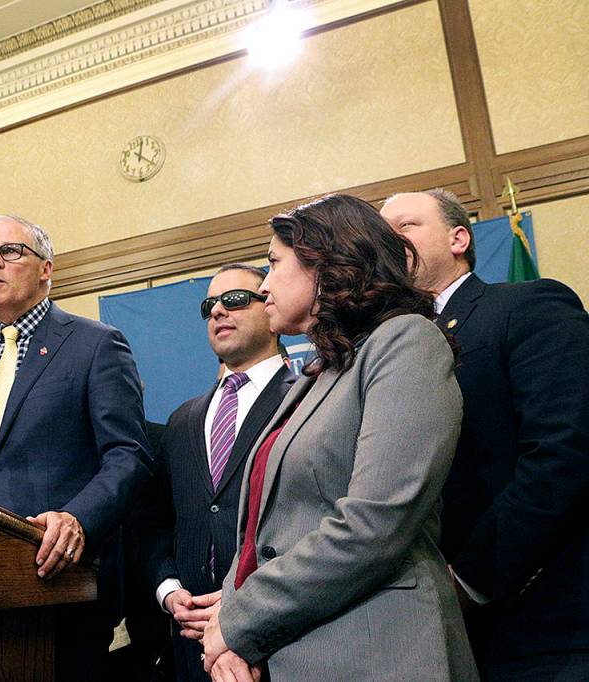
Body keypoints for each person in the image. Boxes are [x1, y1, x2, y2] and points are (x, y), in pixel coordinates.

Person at [203, 194, 477, 681]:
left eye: (273, 263)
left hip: (379, 651)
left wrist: (239, 621)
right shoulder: (318, 372)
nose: (264, 286)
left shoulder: (405, 340)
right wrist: (231, 625)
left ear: (326, 265)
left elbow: (376, 521)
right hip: (293, 646)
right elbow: (260, 536)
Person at [0, 214, 152, 680]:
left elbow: (128, 456)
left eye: (10, 252)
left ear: (46, 268)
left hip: (63, 583)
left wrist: (78, 518)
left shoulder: (96, 345)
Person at [381, 190, 589, 680]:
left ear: (459, 238)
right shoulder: (383, 350)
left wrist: (469, 579)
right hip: (432, 642)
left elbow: (566, 452)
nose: (388, 241)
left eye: (405, 226)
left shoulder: (527, 306)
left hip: (540, 629)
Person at [139, 264, 295, 682]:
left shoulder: (305, 401)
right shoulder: (182, 420)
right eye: (210, 305)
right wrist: (169, 591)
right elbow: (155, 525)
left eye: (236, 300)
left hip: (281, 641)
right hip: (191, 644)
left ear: (271, 307)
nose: (219, 312)